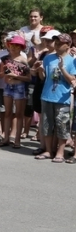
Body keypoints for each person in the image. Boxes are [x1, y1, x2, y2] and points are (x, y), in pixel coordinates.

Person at [33, 33, 76, 162]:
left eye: (60, 44)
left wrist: (62, 69)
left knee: (62, 125)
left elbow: (72, 80)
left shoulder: (72, 60)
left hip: (62, 98)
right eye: (56, 43)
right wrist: (40, 70)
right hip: (47, 96)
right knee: (46, 124)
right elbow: (43, 77)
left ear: (67, 45)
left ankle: (60, 152)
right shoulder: (48, 58)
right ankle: (48, 150)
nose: (56, 45)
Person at [0, 34, 30, 147]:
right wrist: (4, 72)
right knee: (7, 113)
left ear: (21, 48)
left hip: (19, 87)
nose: (14, 48)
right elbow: (1, 74)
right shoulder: (5, 59)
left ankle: (17, 140)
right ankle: (6, 138)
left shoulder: (23, 61)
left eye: (17, 46)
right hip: (8, 86)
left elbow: (28, 78)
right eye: (12, 45)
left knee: (19, 114)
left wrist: (16, 76)